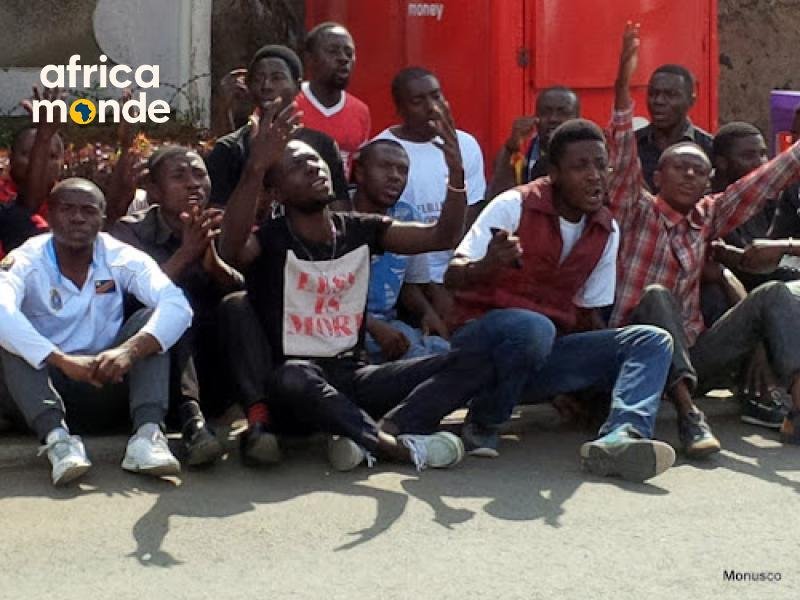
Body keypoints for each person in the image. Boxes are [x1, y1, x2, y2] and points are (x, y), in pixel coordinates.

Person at [219, 96, 494, 472]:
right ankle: (391, 448)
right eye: (298, 166)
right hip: (296, 392)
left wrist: (457, 177)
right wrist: (255, 168)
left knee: (475, 360)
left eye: (316, 162)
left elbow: (441, 237)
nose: (314, 168)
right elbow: (231, 249)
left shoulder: (360, 229)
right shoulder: (269, 239)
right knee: (293, 376)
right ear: (278, 192)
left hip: (354, 378)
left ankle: (380, 431)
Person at [443, 108, 675, 482]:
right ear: (553, 173)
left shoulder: (605, 230)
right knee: (534, 327)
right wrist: (486, 265)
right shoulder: (514, 205)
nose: (595, 176)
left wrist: (590, 375)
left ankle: (622, 437)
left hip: (543, 351)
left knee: (651, 340)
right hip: (483, 345)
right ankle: (484, 421)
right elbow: (451, 276)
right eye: (580, 166)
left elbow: (588, 316)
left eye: (601, 165)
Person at [607, 23, 800, 454]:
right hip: (636, 353)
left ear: (709, 180)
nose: (689, 175)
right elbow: (620, 150)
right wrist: (622, 82)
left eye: (698, 171)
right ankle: (690, 417)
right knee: (657, 296)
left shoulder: (710, 213)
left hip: (695, 356)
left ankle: (797, 405)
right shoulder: (635, 209)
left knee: (773, 293)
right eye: (679, 168)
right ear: (657, 177)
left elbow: (767, 179)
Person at [0, 178, 193, 485]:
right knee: (10, 338)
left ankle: (147, 438)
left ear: (102, 219)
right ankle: (58, 442)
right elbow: (2, 313)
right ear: (50, 216)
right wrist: (62, 360)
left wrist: (128, 351)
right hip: (42, 389)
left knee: (149, 321)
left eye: (88, 211)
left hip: (106, 379)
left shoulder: (119, 255)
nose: (78, 218)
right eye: (67, 209)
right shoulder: (27, 259)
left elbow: (176, 304)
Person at [110, 146, 245, 466]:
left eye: (199, 174)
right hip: (154, 364)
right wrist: (185, 254)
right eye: (179, 176)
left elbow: (242, 290)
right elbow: (128, 303)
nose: (193, 184)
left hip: (210, 356)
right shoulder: (128, 232)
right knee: (173, 308)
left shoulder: (218, 222)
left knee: (238, 306)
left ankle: (254, 414)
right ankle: (192, 422)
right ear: (154, 191)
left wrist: (211, 260)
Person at [374, 67, 486, 328]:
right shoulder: (383, 153)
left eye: (436, 96)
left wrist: (459, 278)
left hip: (458, 275)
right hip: (408, 285)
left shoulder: (466, 146)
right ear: (400, 109)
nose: (432, 108)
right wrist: (430, 292)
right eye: (418, 101)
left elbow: (472, 219)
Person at [205, 44, 349, 208]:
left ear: (298, 87)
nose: (266, 86)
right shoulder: (229, 148)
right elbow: (218, 213)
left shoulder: (323, 145)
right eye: (258, 79)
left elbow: (339, 210)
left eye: (277, 78)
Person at [353, 139, 450, 362]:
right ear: (359, 172)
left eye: (402, 170)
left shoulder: (408, 216)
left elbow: (409, 284)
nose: (395, 176)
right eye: (385, 167)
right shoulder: (336, 216)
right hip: (345, 327)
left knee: (444, 350)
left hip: (391, 323)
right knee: (422, 361)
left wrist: (427, 313)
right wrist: (373, 326)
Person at [297, 22, 371, 179]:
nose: (343, 58)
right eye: (333, 51)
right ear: (310, 58)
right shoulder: (287, 103)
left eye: (349, 53)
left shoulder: (360, 112)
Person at [486, 86, 580, 200]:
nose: (553, 119)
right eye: (545, 112)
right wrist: (511, 148)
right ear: (535, 117)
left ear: (577, 119)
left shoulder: (589, 152)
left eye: (563, 113)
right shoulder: (520, 153)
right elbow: (498, 199)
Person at [636, 63, 713, 192]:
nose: (659, 101)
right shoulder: (633, 145)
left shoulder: (709, 148)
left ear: (691, 101)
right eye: (653, 94)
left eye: (670, 95)